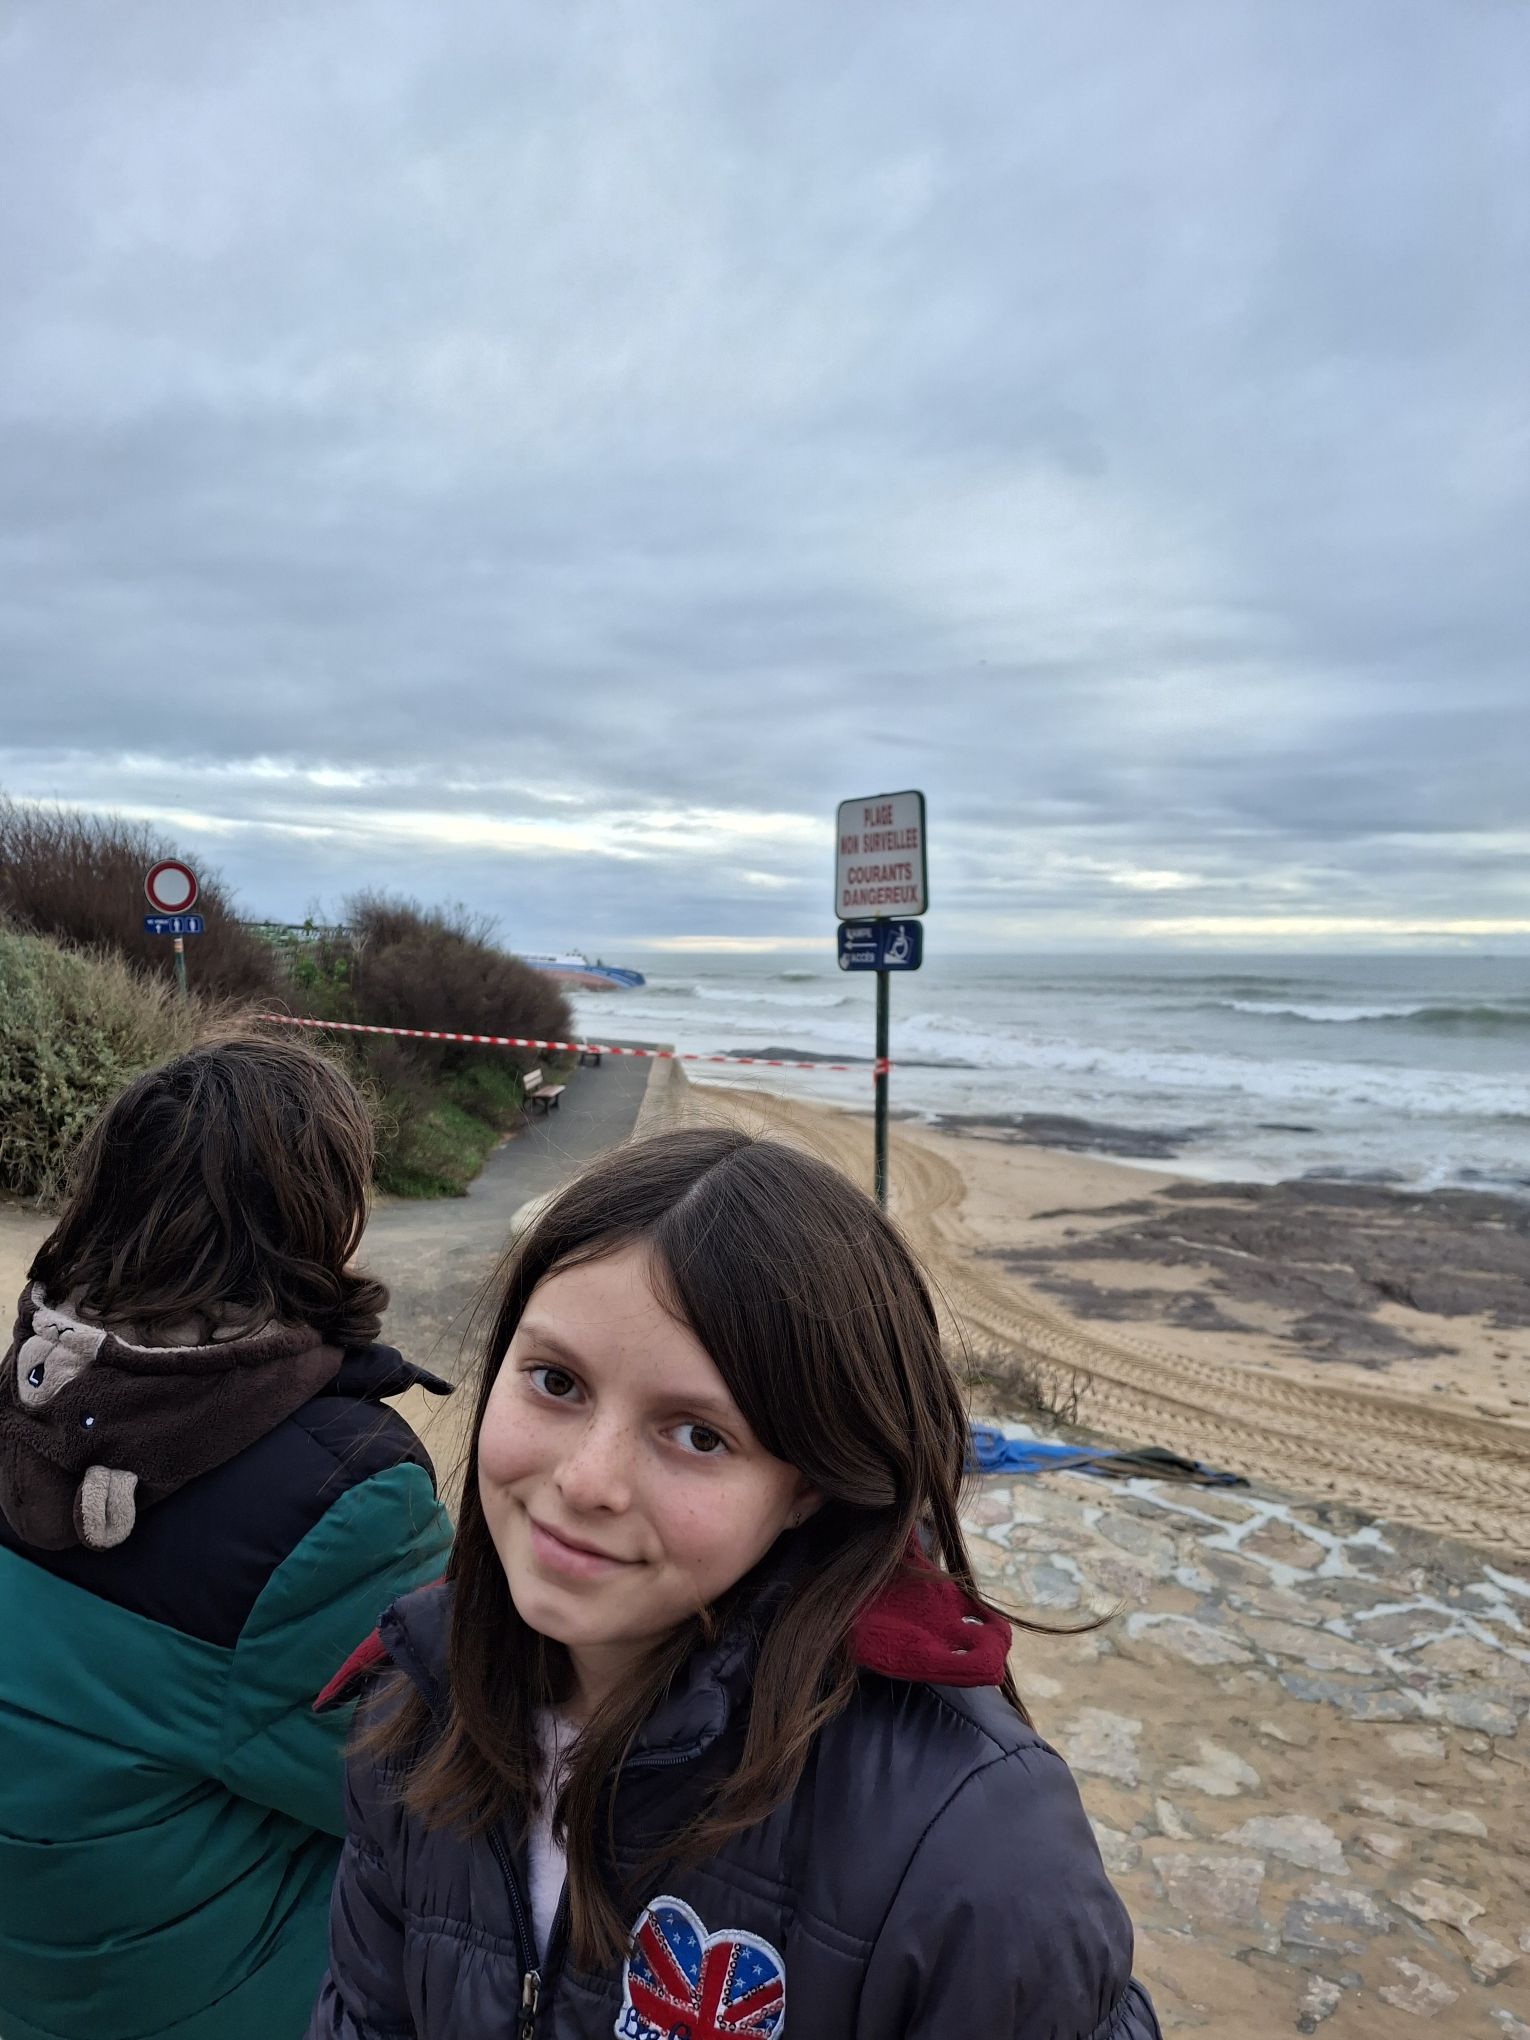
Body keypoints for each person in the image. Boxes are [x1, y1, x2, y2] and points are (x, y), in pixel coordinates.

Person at [310, 1126, 1162, 2039]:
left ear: (808, 1487)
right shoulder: (417, 1704)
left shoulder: (971, 1848)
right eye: (556, 1381)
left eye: (698, 1435)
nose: (586, 1481)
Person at [0, 1034, 455, 2040]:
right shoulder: (339, 1496)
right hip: (203, 1999)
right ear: (322, 1215)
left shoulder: (32, 1397)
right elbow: (453, 1799)